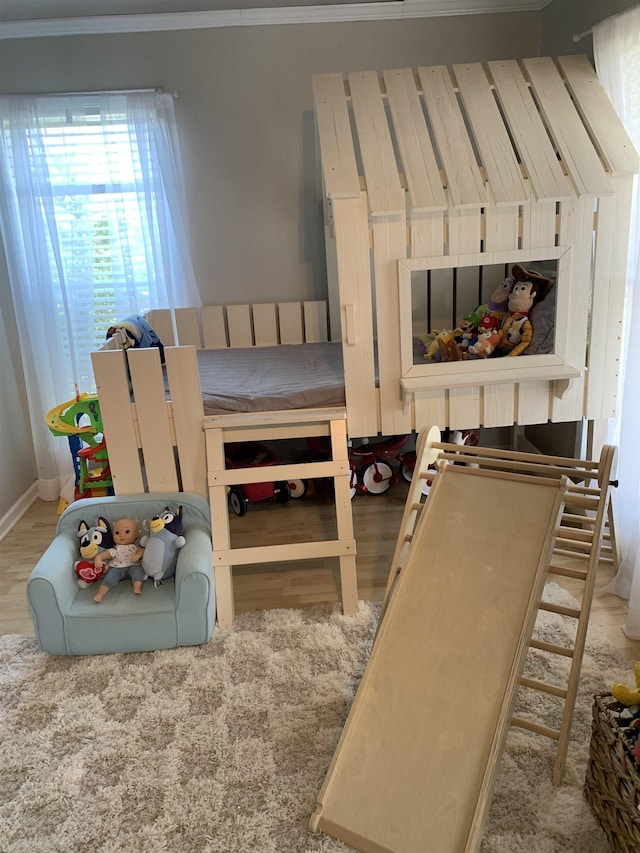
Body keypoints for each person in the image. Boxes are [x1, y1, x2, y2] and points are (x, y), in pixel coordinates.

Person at [92, 518, 145, 603]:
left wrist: (138, 555)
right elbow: (104, 555)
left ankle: (137, 587)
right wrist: (98, 560)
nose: (121, 536)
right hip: (117, 567)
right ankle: (100, 594)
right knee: (110, 577)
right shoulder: (116, 549)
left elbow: (142, 550)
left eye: (127, 532)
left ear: (136, 535)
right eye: (117, 533)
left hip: (132, 565)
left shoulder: (134, 548)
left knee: (138, 571)